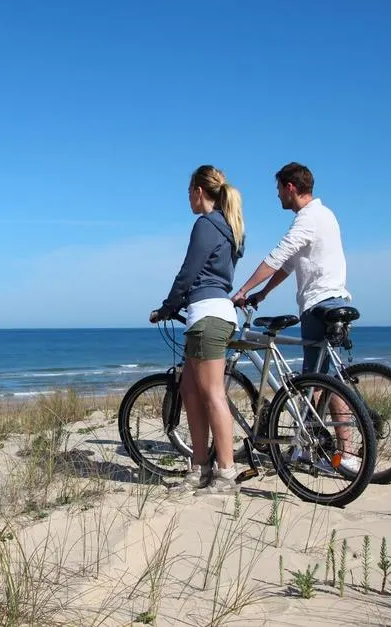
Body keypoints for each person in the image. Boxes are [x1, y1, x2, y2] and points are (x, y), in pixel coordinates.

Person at [231, 161, 360, 473]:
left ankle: (346, 453)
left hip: (319, 305)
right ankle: (321, 448)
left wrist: (244, 289)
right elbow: (289, 265)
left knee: (319, 380)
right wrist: (263, 294)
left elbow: (275, 258)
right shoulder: (325, 215)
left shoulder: (307, 219)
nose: (277, 197)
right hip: (333, 299)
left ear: (290, 187)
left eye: (278, 190)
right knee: (323, 380)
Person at [150, 164, 246, 495]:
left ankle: (226, 474)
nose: (188, 199)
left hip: (208, 316)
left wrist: (167, 306)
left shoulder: (207, 225)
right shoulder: (230, 226)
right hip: (207, 315)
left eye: (188, 192)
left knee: (212, 394)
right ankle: (200, 467)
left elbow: (188, 272)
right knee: (190, 391)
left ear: (199, 192)